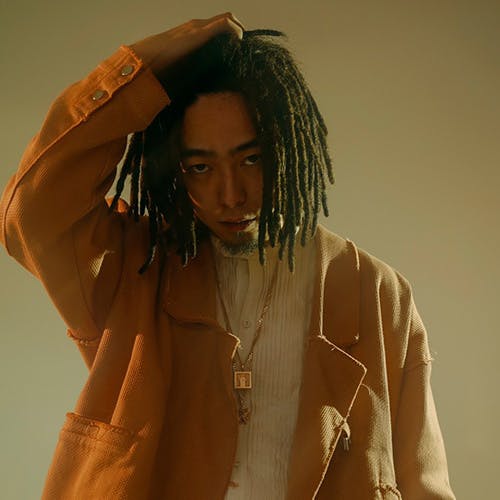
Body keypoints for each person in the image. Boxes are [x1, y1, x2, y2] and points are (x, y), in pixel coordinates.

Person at [0, 13, 455, 500]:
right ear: (174, 170)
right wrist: (145, 70)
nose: (231, 194)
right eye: (201, 167)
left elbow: (423, 484)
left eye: (251, 159)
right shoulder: (132, 267)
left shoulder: (376, 293)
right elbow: (32, 210)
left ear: (286, 147)